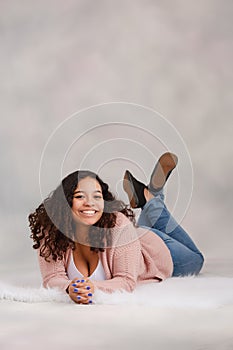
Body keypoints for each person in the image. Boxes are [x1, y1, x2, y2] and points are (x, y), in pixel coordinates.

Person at [29, 152, 204, 305]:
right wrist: (70, 288)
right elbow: (52, 278)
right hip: (131, 239)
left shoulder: (118, 224)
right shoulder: (51, 230)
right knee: (138, 227)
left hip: (155, 248)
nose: (90, 202)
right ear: (66, 202)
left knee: (197, 259)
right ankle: (152, 195)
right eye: (80, 196)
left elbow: (126, 281)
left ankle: (151, 200)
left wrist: (93, 287)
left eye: (97, 196)